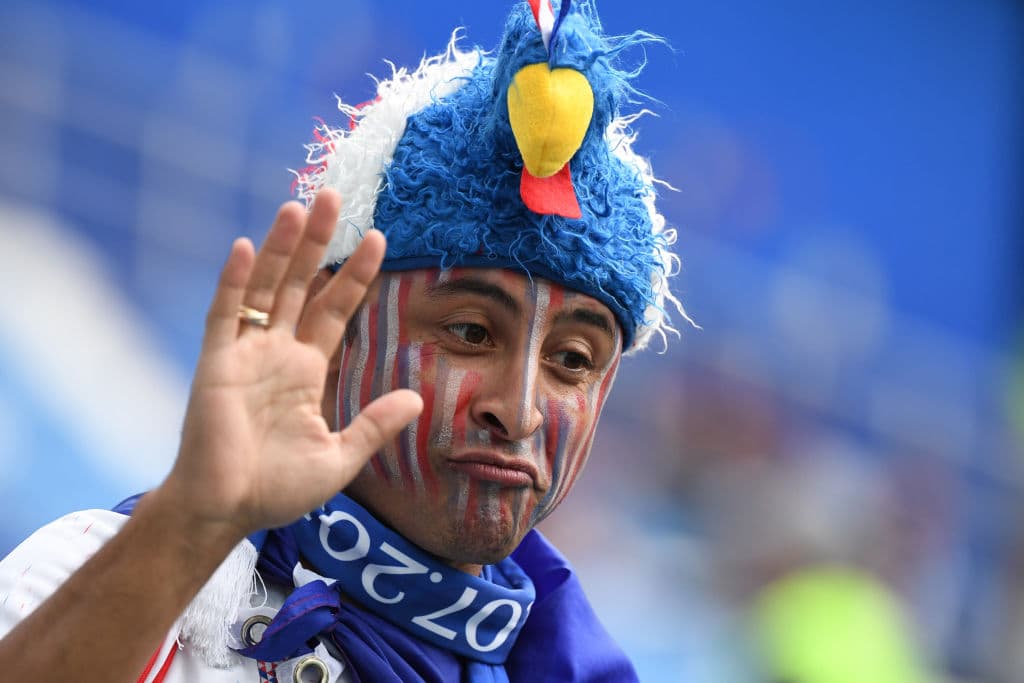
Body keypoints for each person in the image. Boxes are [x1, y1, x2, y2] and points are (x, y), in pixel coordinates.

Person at [0, 1, 687, 680]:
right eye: (472, 331)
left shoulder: (578, 664)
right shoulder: (116, 580)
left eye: (571, 360)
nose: (520, 410)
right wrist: (191, 522)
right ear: (328, 336)